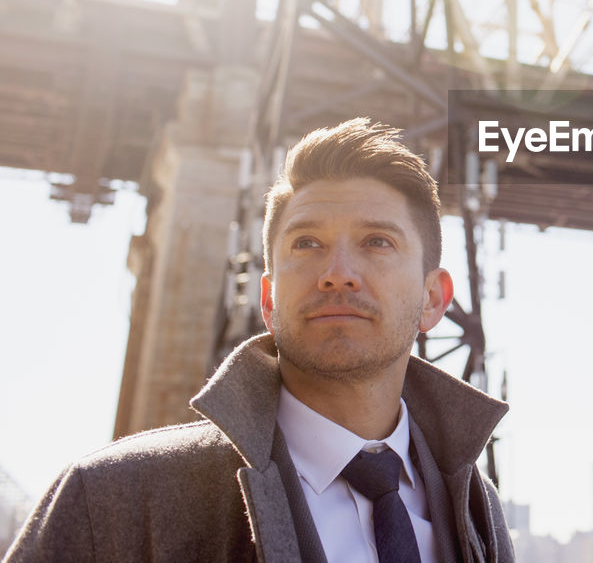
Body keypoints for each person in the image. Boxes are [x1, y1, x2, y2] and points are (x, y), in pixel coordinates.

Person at [6, 118, 514, 562]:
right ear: (268, 300)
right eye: (306, 243)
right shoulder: (108, 500)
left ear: (433, 298)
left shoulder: (477, 509)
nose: (338, 274)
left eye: (377, 242)